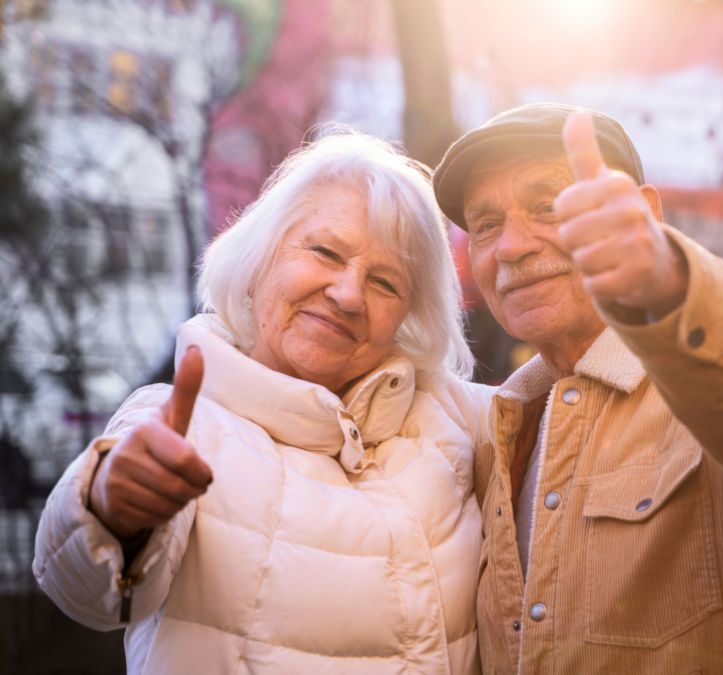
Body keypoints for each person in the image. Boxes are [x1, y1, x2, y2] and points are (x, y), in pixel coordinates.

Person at [34, 130, 492, 674]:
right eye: (325, 251)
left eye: (386, 283)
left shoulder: (455, 420)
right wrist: (112, 508)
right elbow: (87, 592)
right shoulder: (181, 421)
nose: (348, 295)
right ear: (258, 259)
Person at [431, 103, 723, 674]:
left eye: (549, 207)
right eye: (485, 225)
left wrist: (669, 284)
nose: (511, 246)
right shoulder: (497, 433)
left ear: (647, 215)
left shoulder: (718, 383)